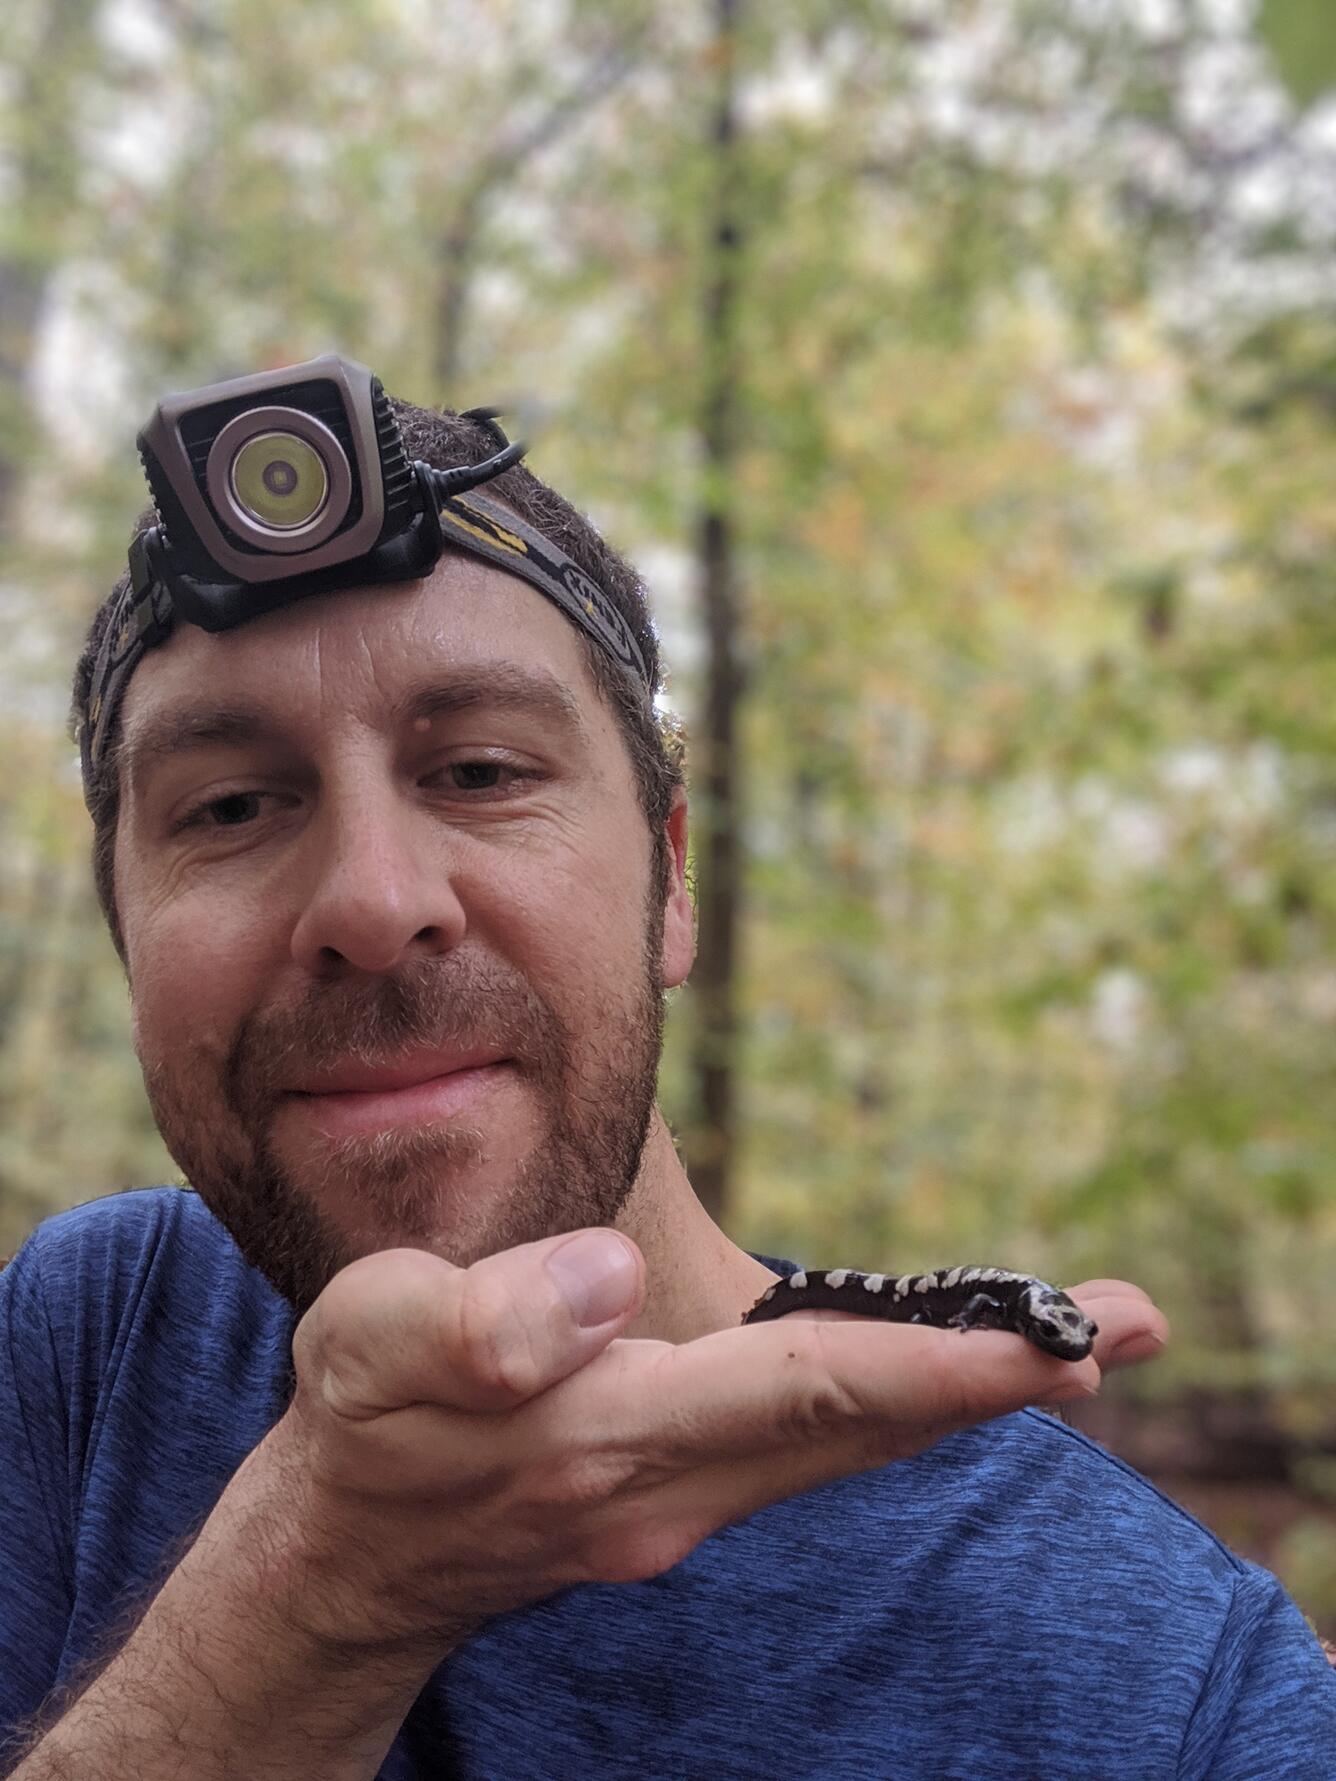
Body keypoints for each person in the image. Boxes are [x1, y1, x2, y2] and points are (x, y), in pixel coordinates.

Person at [1, 365, 1333, 1781]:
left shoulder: (1180, 1686)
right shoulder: (89, 1339)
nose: (373, 900)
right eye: (230, 806)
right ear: (125, 936)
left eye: (481, 771)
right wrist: (315, 1599)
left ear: (674, 876)